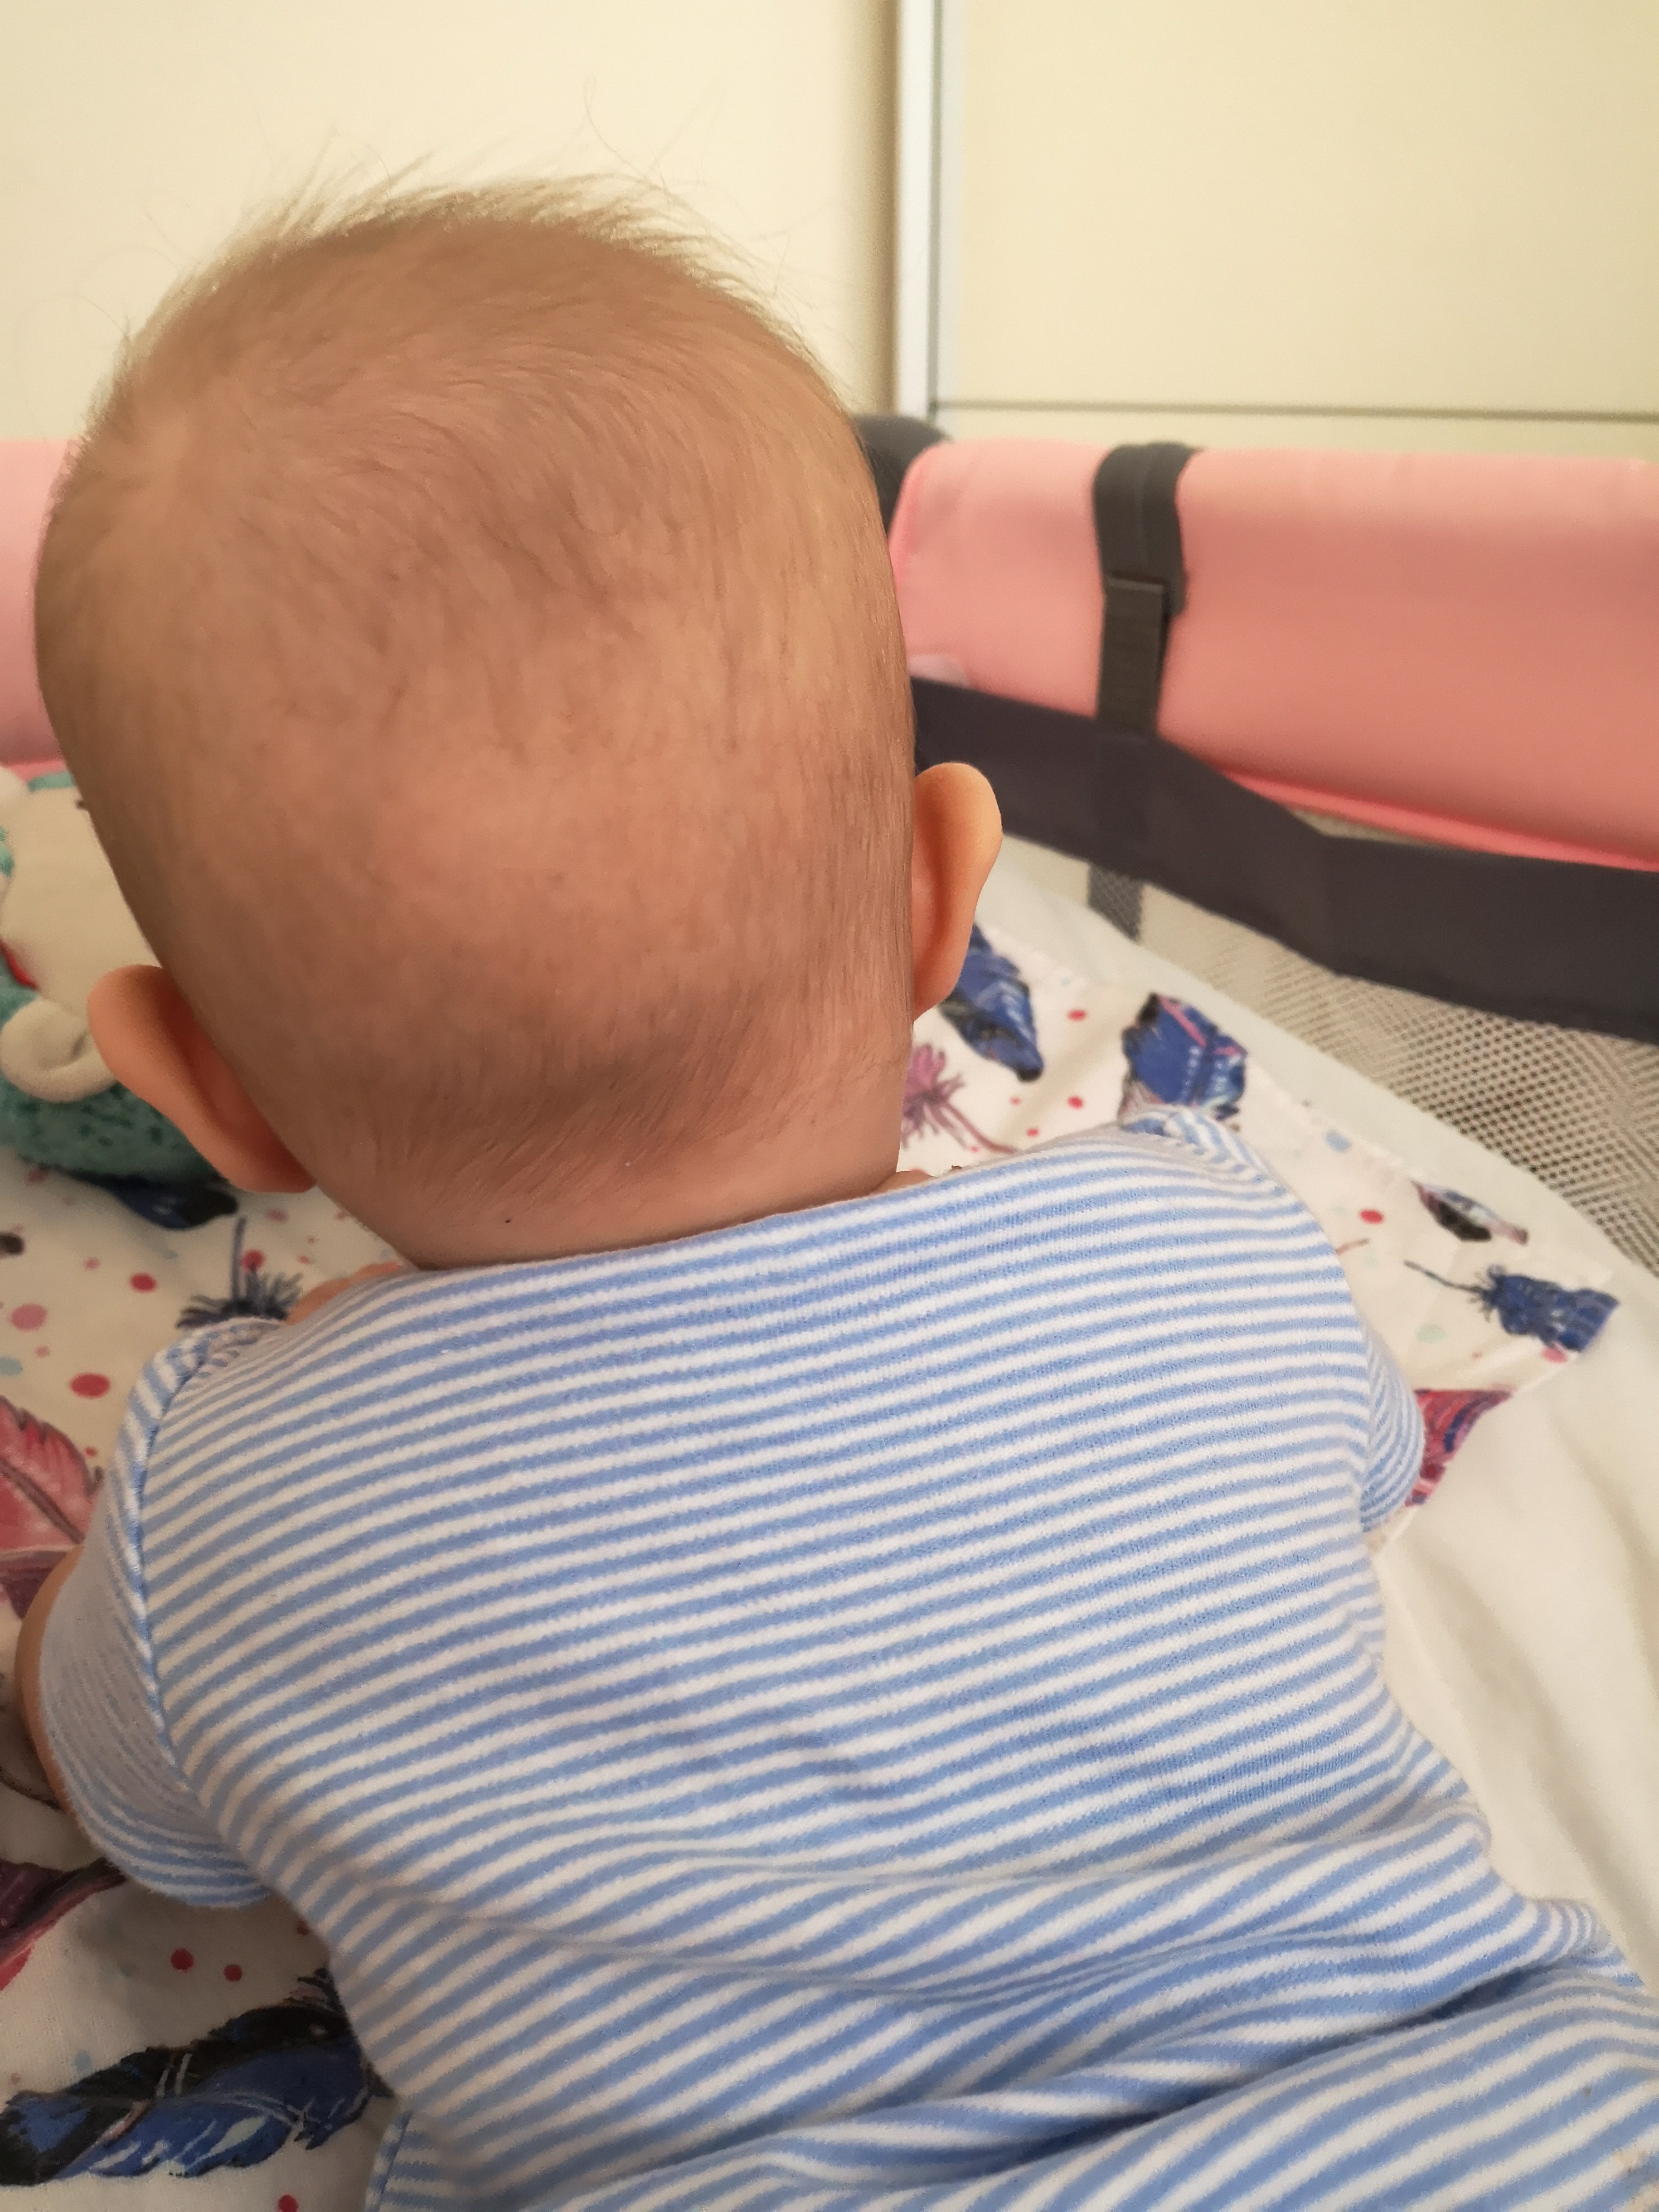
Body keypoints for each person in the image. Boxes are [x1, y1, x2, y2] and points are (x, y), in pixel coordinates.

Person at [16, 185, 1659, 2211]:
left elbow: (103, 1785)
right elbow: (1348, 1486)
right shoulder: (1208, 1243)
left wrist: (99, 1622)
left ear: (201, 1090)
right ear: (940, 901)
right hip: (1520, 2141)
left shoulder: (224, 1507)